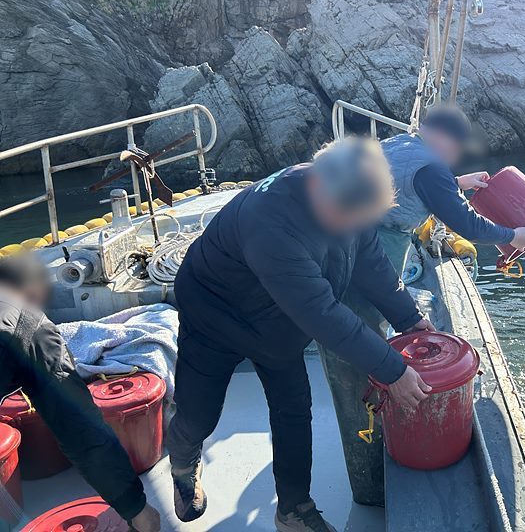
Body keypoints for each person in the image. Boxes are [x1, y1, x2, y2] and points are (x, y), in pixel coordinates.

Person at [167, 137, 434, 532]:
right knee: (198, 413)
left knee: (294, 411)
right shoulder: (271, 225)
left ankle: (293, 509)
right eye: (347, 216)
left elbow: (371, 261)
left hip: (278, 324)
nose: (351, 226)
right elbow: (322, 314)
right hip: (215, 314)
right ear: (315, 187)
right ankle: (183, 463)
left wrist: (409, 318)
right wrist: (393, 370)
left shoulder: (346, 196)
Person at [321, 105, 525, 506]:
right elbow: (466, 223)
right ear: (444, 138)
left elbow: (414, 182)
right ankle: (371, 450)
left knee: (362, 316)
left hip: (344, 239)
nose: (456, 155)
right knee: (363, 328)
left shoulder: (403, 144)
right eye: (456, 147)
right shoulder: (432, 169)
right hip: (374, 245)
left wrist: (460, 181)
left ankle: (370, 384)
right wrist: (514, 234)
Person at [0, 254, 160, 531]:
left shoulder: (24, 334)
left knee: (77, 422)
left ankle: (138, 513)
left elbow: (81, 430)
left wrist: (134, 507)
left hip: (23, 330)